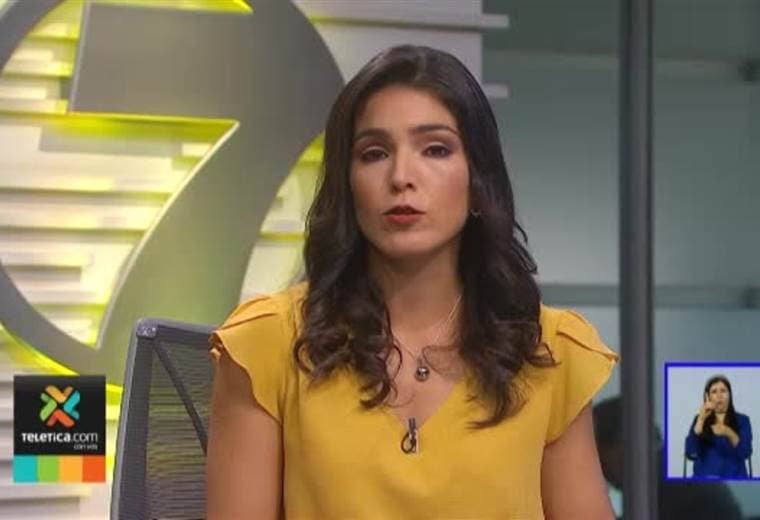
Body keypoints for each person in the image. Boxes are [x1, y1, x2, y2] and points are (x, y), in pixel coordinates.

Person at [206, 44, 619, 519]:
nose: (401, 176)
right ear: (347, 184)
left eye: (436, 149)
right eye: (374, 153)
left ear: (478, 180)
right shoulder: (268, 343)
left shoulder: (549, 351)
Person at [593, 396, 743, 520]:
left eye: (597, 453)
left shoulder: (665, 486)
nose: (598, 467)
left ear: (621, 444)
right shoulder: (669, 473)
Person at [685, 374, 753, 479]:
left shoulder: (743, 420)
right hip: (704, 480)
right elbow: (690, 453)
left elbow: (745, 452)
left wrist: (728, 432)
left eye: (723, 391)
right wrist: (701, 420)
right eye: (714, 392)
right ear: (708, 397)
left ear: (729, 395)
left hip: (734, 478)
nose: (719, 395)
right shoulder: (699, 419)